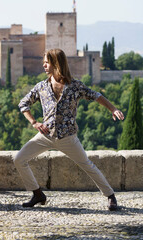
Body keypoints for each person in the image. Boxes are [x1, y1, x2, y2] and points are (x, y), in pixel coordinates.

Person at [14, 48, 124, 211]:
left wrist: (113, 109)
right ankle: (37, 194)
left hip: (68, 138)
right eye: (43, 62)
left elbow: (95, 95)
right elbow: (23, 104)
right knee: (19, 159)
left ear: (56, 63)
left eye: (47, 62)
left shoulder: (74, 86)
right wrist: (34, 122)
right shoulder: (41, 87)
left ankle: (110, 196)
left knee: (87, 165)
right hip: (45, 135)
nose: (44, 65)